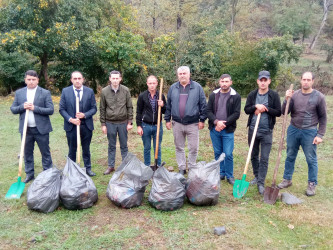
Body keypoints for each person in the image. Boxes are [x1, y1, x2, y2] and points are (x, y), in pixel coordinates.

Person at [278, 72, 327, 196]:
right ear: (300, 80)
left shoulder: (319, 97)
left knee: (311, 159)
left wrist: (320, 135)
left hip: (310, 131)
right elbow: (284, 112)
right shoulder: (294, 95)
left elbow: (323, 117)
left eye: (308, 79)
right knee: (290, 155)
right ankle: (287, 179)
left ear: (312, 81)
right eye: (304, 79)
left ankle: (312, 184)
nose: (306, 82)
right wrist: (286, 99)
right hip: (293, 129)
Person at [10, 70, 54, 183]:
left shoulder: (45, 93)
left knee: (45, 152)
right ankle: (29, 174)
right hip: (26, 130)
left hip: (41, 129)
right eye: (29, 79)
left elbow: (50, 110)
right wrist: (22, 106)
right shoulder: (19, 93)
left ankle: (47, 173)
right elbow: (13, 109)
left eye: (33, 79)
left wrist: (35, 108)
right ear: (25, 80)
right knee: (27, 152)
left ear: (37, 80)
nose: (31, 82)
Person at [164, 66, 207, 175]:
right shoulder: (173, 88)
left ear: (189, 74)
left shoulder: (197, 87)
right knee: (179, 147)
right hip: (177, 123)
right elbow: (169, 105)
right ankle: (182, 167)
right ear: (178, 75)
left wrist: (202, 120)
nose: (182, 75)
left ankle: (192, 167)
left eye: (184, 73)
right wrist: (167, 119)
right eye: (180, 74)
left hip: (193, 123)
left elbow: (203, 105)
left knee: (193, 147)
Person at [244, 70, 281, 195]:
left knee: (264, 158)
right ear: (258, 81)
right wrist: (255, 107)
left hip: (266, 131)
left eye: (266, 80)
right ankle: (256, 176)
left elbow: (278, 112)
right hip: (253, 129)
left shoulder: (274, 95)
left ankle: (261, 182)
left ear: (269, 81)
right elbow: (246, 109)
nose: (263, 83)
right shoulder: (252, 94)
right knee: (253, 155)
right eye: (261, 80)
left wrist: (265, 109)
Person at [59, 71, 97, 177]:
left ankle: (87, 168)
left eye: (79, 78)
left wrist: (84, 115)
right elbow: (62, 109)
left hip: (86, 125)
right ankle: (72, 169)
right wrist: (71, 119)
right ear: (71, 80)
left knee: (86, 148)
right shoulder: (65, 91)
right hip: (71, 126)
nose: (77, 80)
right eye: (75, 79)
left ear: (82, 79)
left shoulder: (89, 91)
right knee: (72, 149)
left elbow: (94, 108)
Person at [207, 74, 241, 185]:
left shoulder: (235, 96)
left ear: (231, 82)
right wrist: (217, 122)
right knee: (217, 152)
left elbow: (236, 113)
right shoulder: (213, 95)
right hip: (215, 128)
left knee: (228, 153)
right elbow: (208, 111)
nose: (224, 83)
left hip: (228, 129)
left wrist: (223, 123)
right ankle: (220, 173)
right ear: (219, 82)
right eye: (222, 81)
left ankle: (229, 175)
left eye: (226, 81)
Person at [100, 70, 133, 175]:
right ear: (110, 79)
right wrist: (103, 124)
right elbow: (102, 108)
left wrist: (130, 122)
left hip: (123, 122)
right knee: (111, 145)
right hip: (110, 123)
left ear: (120, 79)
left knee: (124, 145)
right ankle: (111, 166)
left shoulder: (126, 90)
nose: (115, 80)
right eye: (113, 78)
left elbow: (129, 107)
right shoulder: (104, 91)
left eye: (117, 78)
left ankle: (125, 166)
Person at [136, 75, 166, 167]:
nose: (152, 85)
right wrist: (139, 126)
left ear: (157, 83)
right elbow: (138, 111)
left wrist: (163, 105)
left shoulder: (161, 95)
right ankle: (147, 166)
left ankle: (158, 166)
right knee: (147, 147)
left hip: (158, 125)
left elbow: (165, 111)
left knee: (158, 147)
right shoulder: (142, 96)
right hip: (146, 125)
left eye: (153, 83)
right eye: (150, 83)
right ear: (147, 84)